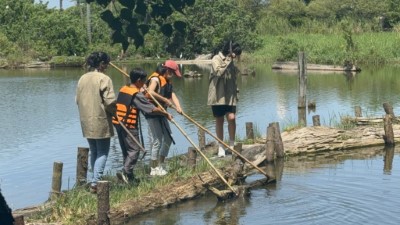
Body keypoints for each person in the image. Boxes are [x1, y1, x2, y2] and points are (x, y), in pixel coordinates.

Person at [112, 68, 172, 183]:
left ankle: (128, 177)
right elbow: (150, 109)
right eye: (144, 81)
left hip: (118, 123)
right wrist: (165, 113)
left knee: (127, 151)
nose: (145, 83)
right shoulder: (136, 94)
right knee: (135, 149)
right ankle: (126, 171)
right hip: (128, 125)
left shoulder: (124, 88)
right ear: (139, 80)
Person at [76, 52, 117, 193]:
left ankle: (94, 180)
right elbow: (110, 101)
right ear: (101, 64)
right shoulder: (104, 78)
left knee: (94, 150)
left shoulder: (82, 78)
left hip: (86, 120)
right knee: (103, 152)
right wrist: (115, 113)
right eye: (106, 64)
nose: (106, 67)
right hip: (101, 119)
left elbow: (77, 100)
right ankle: (96, 182)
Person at [145, 60, 182, 176]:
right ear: (166, 70)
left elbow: (172, 95)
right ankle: (154, 168)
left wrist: (178, 107)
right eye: (171, 72)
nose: (172, 75)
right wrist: (165, 100)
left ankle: (161, 163)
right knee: (157, 141)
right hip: (153, 113)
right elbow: (150, 92)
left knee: (168, 139)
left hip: (162, 112)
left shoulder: (168, 81)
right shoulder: (155, 79)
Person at [207, 41, 242, 157]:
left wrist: (236, 91)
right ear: (229, 52)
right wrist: (228, 60)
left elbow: (234, 77)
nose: (236, 57)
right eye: (235, 54)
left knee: (232, 117)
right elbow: (219, 72)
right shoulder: (216, 59)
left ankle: (232, 144)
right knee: (219, 120)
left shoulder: (231, 61)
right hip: (218, 96)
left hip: (230, 95)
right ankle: (221, 146)